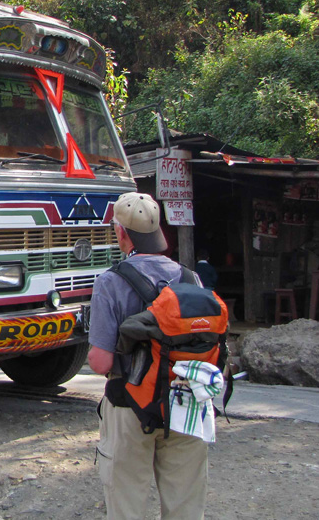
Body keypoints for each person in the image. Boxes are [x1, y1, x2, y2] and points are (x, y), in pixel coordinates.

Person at [88, 192, 209, 520]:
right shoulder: (190, 278)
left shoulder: (110, 282)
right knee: (186, 504)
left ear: (121, 233)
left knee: (127, 502)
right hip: (186, 402)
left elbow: (101, 362)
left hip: (132, 405)